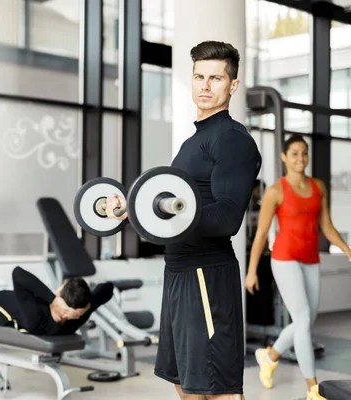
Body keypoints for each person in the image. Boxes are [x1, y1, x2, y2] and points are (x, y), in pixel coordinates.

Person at [107, 40, 262, 399]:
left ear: (232, 85)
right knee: (185, 384)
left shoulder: (231, 140)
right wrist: (133, 209)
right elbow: (177, 211)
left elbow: (225, 218)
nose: (205, 86)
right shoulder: (194, 141)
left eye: (216, 78)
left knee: (218, 388)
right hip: (179, 273)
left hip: (206, 275)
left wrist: (169, 212)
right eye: (199, 77)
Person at [245, 134, 351, 400]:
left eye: (304, 153)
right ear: (284, 157)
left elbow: (326, 225)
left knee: (306, 320)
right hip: (284, 258)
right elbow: (261, 234)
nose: (300, 158)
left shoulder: (318, 187)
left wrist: (347, 249)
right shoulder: (276, 191)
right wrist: (251, 270)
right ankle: (313, 389)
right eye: (294, 153)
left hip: (310, 258)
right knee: (302, 319)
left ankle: (269, 357)